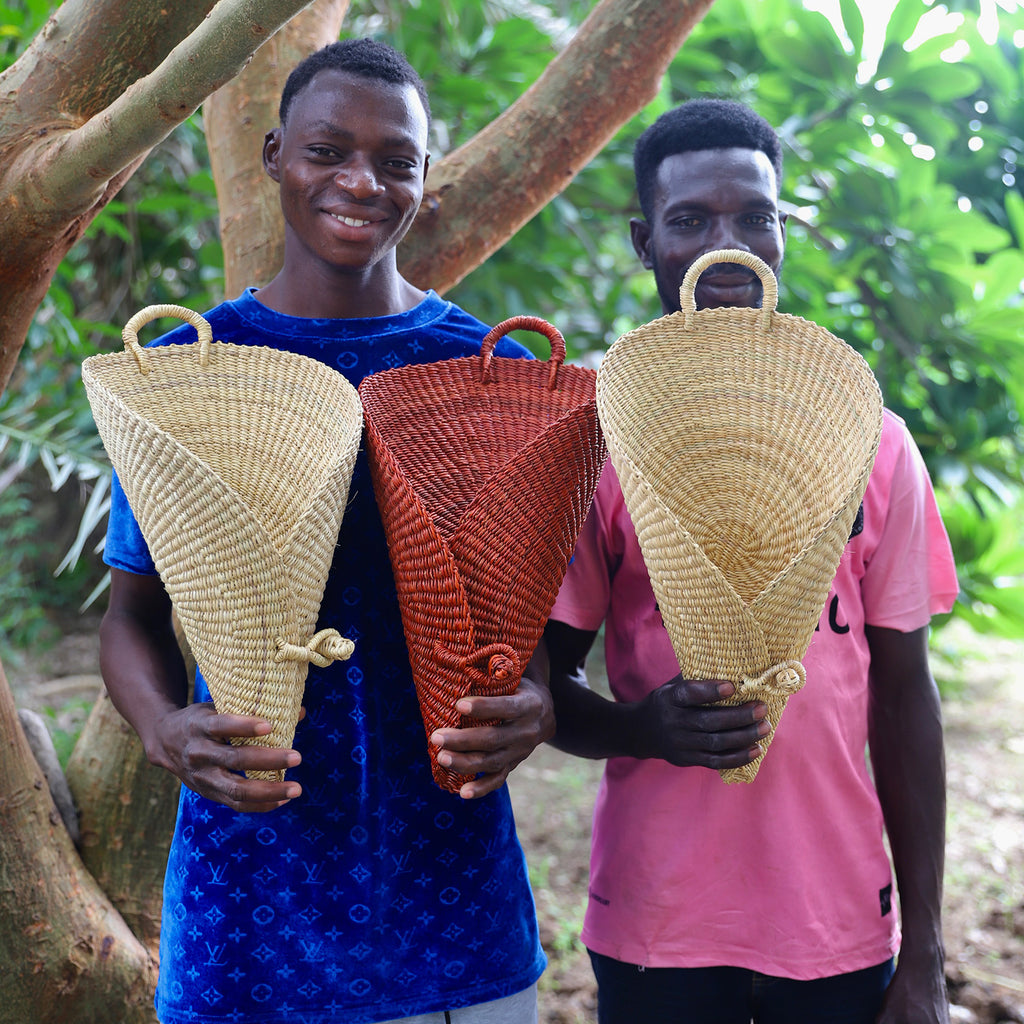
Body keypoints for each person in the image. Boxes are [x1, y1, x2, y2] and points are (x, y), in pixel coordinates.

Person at [99, 38, 550, 1024]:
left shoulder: (476, 369)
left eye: (397, 159)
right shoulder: (189, 371)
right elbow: (131, 611)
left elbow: (527, 617)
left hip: (452, 894)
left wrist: (538, 696)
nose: (361, 180)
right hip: (248, 893)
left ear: (426, 181)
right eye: (327, 150)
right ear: (273, 156)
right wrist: (168, 730)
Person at [536, 99, 959, 1024]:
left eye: (754, 217)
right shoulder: (599, 442)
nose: (727, 246)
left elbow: (902, 692)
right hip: (658, 923)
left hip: (840, 922)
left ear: (782, 233)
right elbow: (542, 687)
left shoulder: (871, 440)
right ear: (646, 242)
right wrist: (644, 730)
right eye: (690, 221)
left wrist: (925, 953)